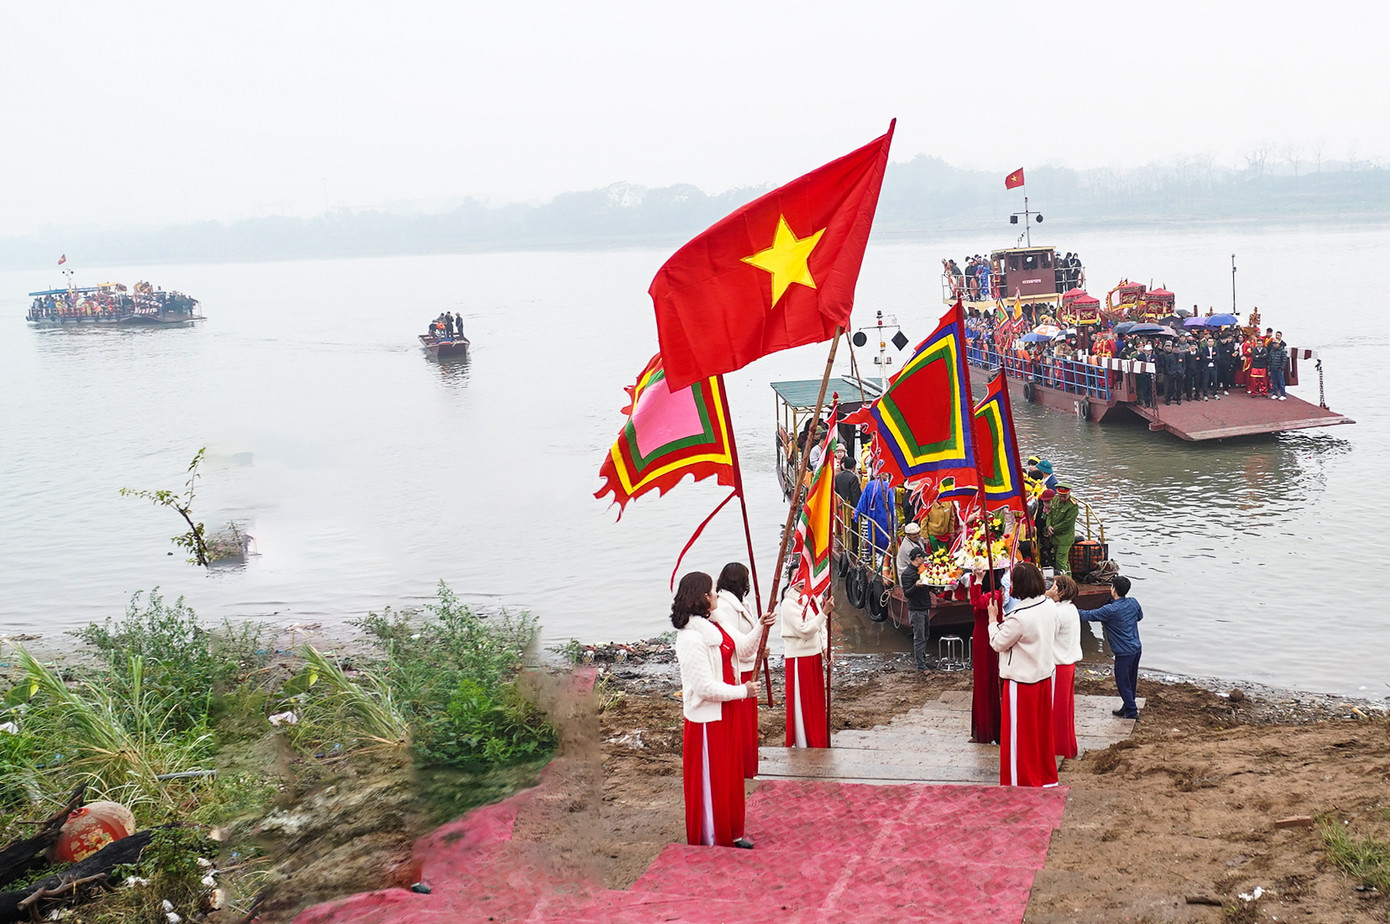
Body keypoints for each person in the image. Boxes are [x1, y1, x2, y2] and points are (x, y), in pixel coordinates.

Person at [671, 571, 766, 848]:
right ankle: (713, 836)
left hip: (728, 711)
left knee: (730, 776)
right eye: (713, 591)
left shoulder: (717, 623)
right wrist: (743, 691)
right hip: (708, 718)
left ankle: (732, 830)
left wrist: (761, 625)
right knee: (713, 777)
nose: (716, 595)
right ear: (702, 597)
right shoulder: (690, 637)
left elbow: (745, 650)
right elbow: (704, 688)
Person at [987, 562, 1059, 787]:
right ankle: (1045, 777)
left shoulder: (1018, 617)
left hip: (1022, 679)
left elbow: (998, 643)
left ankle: (1020, 781)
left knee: (1019, 736)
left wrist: (992, 620)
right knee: (1041, 732)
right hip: (1044, 673)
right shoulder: (1049, 605)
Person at [710, 562, 764, 778]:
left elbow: (747, 639)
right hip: (739, 671)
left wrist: (760, 650)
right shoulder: (724, 607)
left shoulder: (743, 603)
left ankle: (748, 767)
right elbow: (735, 645)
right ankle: (740, 768)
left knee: (749, 724)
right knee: (741, 725)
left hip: (749, 666)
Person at [1080, 575, 1144, 720]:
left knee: (1122, 682)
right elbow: (1139, 617)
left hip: (1123, 652)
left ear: (1113, 590)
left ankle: (1132, 711)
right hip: (1136, 648)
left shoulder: (1110, 610)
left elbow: (1087, 615)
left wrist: (1069, 609)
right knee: (1131, 680)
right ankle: (1127, 706)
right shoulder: (1134, 602)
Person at [778, 583, 830, 748]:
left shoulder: (812, 597)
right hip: (798, 657)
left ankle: (818, 739)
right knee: (803, 703)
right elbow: (804, 629)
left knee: (816, 703)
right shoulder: (789, 603)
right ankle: (802, 742)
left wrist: (825, 647)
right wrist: (824, 612)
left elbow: (820, 627)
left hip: (813, 654)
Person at [969, 568, 1005, 745]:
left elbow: (975, 601)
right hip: (980, 638)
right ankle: (981, 728)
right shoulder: (991, 594)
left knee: (986, 680)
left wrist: (977, 579)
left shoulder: (995, 595)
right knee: (980, 681)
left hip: (987, 640)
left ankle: (988, 730)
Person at [1048, 573, 1082, 759]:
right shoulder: (1071, 609)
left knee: (1057, 710)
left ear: (1060, 591)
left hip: (1058, 664)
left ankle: (1058, 748)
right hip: (1068, 663)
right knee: (1066, 710)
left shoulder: (1057, 612)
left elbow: (1046, 635)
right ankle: (1067, 746)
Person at [901, 548, 933, 672]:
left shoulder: (923, 571)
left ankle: (923, 660)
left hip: (924, 607)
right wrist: (916, 586)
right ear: (917, 558)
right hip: (916, 610)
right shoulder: (907, 574)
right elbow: (907, 593)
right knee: (919, 637)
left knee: (925, 635)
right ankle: (921, 665)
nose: (924, 559)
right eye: (922, 557)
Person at [1047, 485, 1079, 575]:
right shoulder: (1055, 500)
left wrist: (1053, 530)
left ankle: (1066, 583)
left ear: (1069, 494)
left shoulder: (1073, 506)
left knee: (1060, 561)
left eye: (1064, 496)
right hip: (1055, 537)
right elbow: (1050, 514)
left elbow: (1067, 523)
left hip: (1064, 538)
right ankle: (1069, 578)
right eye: (1060, 495)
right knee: (1064, 561)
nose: (1061, 498)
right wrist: (1048, 526)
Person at [1267, 331, 1289, 400]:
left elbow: (1284, 360)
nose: (1274, 345)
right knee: (1274, 382)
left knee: (1281, 382)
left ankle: (1283, 394)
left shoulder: (1282, 351)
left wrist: (1281, 368)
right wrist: (1269, 369)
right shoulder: (1272, 351)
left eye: (1276, 344)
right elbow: (1270, 360)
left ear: (1278, 344)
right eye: (1274, 344)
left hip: (1279, 369)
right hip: (1273, 368)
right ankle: (1275, 393)